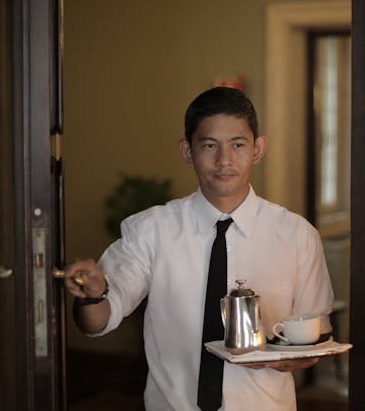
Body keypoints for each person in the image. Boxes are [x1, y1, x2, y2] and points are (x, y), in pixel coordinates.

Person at [65, 86, 334, 410]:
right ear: (187, 151)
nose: (224, 160)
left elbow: (315, 335)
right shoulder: (151, 231)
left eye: (237, 144)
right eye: (209, 145)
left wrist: (291, 359)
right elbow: (97, 321)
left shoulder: (297, 236)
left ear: (258, 149)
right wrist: (92, 294)